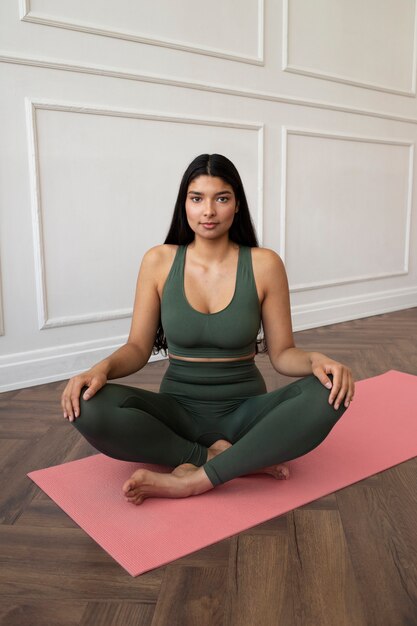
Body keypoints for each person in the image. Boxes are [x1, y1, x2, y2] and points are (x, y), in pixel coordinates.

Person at [61, 153, 355, 505]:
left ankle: (193, 479)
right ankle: (229, 460)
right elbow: (138, 348)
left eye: (221, 198)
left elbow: (282, 354)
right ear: (184, 204)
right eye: (197, 198)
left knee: (330, 392)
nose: (208, 211)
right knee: (85, 403)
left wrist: (316, 360)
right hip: (177, 414)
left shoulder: (264, 264)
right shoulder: (159, 261)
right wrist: (100, 369)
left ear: (237, 205)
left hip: (246, 413)